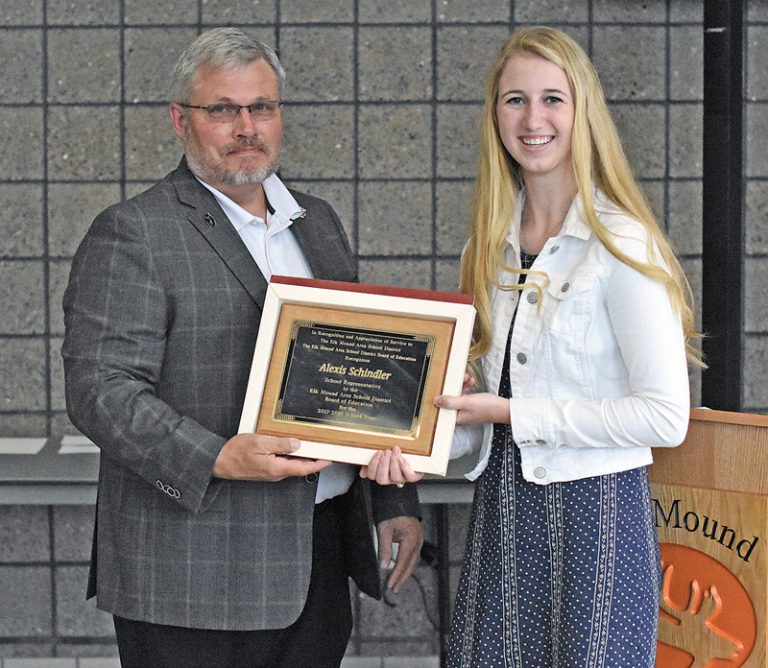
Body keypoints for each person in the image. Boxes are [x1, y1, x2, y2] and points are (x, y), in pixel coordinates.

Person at [62, 27, 422, 668]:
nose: (246, 126)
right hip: (190, 573)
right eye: (222, 110)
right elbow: (101, 391)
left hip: (318, 555)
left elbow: (366, 369)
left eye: (262, 107)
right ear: (180, 120)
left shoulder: (317, 221)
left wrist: (394, 500)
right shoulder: (133, 231)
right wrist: (219, 456)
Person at [362, 26, 699, 667]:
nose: (533, 118)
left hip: (598, 520)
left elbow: (664, 416)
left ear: (583, 115)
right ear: (495, 115)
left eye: (553, 99)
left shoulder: (621, 245)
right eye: (515, 100)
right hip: (503, 514)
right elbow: (476, 422)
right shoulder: (486, 251)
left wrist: (508, 412)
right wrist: (409, 444)